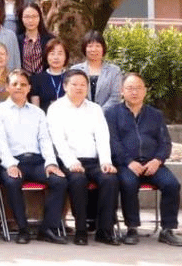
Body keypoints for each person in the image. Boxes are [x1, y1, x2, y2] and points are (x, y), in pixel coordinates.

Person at [0, 70, 68, 245]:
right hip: (13, 161)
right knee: (12, 182)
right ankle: (22, 229)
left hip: (37, 161)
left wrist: (51, 163)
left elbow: (45, 139)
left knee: (59, 181)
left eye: (23, 84)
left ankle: (47, 228)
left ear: (29, 88)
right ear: (7, 87)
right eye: (15, 84)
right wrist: (10, 164)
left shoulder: (37, 112)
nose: (19, 87)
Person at [105, 73, 182, 247]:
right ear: (122, 91)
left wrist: (157, 160)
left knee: (172, 184)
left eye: (138, 88)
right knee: (128, 184)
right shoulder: (112, 114)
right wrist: (128, 162)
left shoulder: (155, 115)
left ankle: (167, 230)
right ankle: (132, 228)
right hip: (126, 165)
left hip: (152, 164)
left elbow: (165, 142)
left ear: (145, 91)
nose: (134, 92)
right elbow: (113, 142)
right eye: (130, 88)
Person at [47, 69, 120, 245]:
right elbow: (58, 140)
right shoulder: (56, 108)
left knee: (110, 179)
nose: (79, 88)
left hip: (93, 161)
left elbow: (102, 137)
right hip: (68, 161)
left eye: (83, 85)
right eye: (74, 84)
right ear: (65, 86)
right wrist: (71, 162)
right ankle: (81, 230)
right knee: (78, 180)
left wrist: (106, 162)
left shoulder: (95, 109)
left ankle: (104, 230)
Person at [72, 30, 125, 110]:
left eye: (97, 46)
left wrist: (99, 112)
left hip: (106, 115)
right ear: (84, 48)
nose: (94, 49)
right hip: (80, 113)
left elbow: (115, 97)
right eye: (90, 46)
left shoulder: (114, 71)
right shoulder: (75, 70)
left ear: (103, 48)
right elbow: (72, 94)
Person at [30, 38, 69, 111]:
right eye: (52, 53)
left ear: (65, 57)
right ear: (46, 56)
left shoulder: (72, 77)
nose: (56, 57)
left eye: (60, 54)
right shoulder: (37, 79)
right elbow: (35, 109)